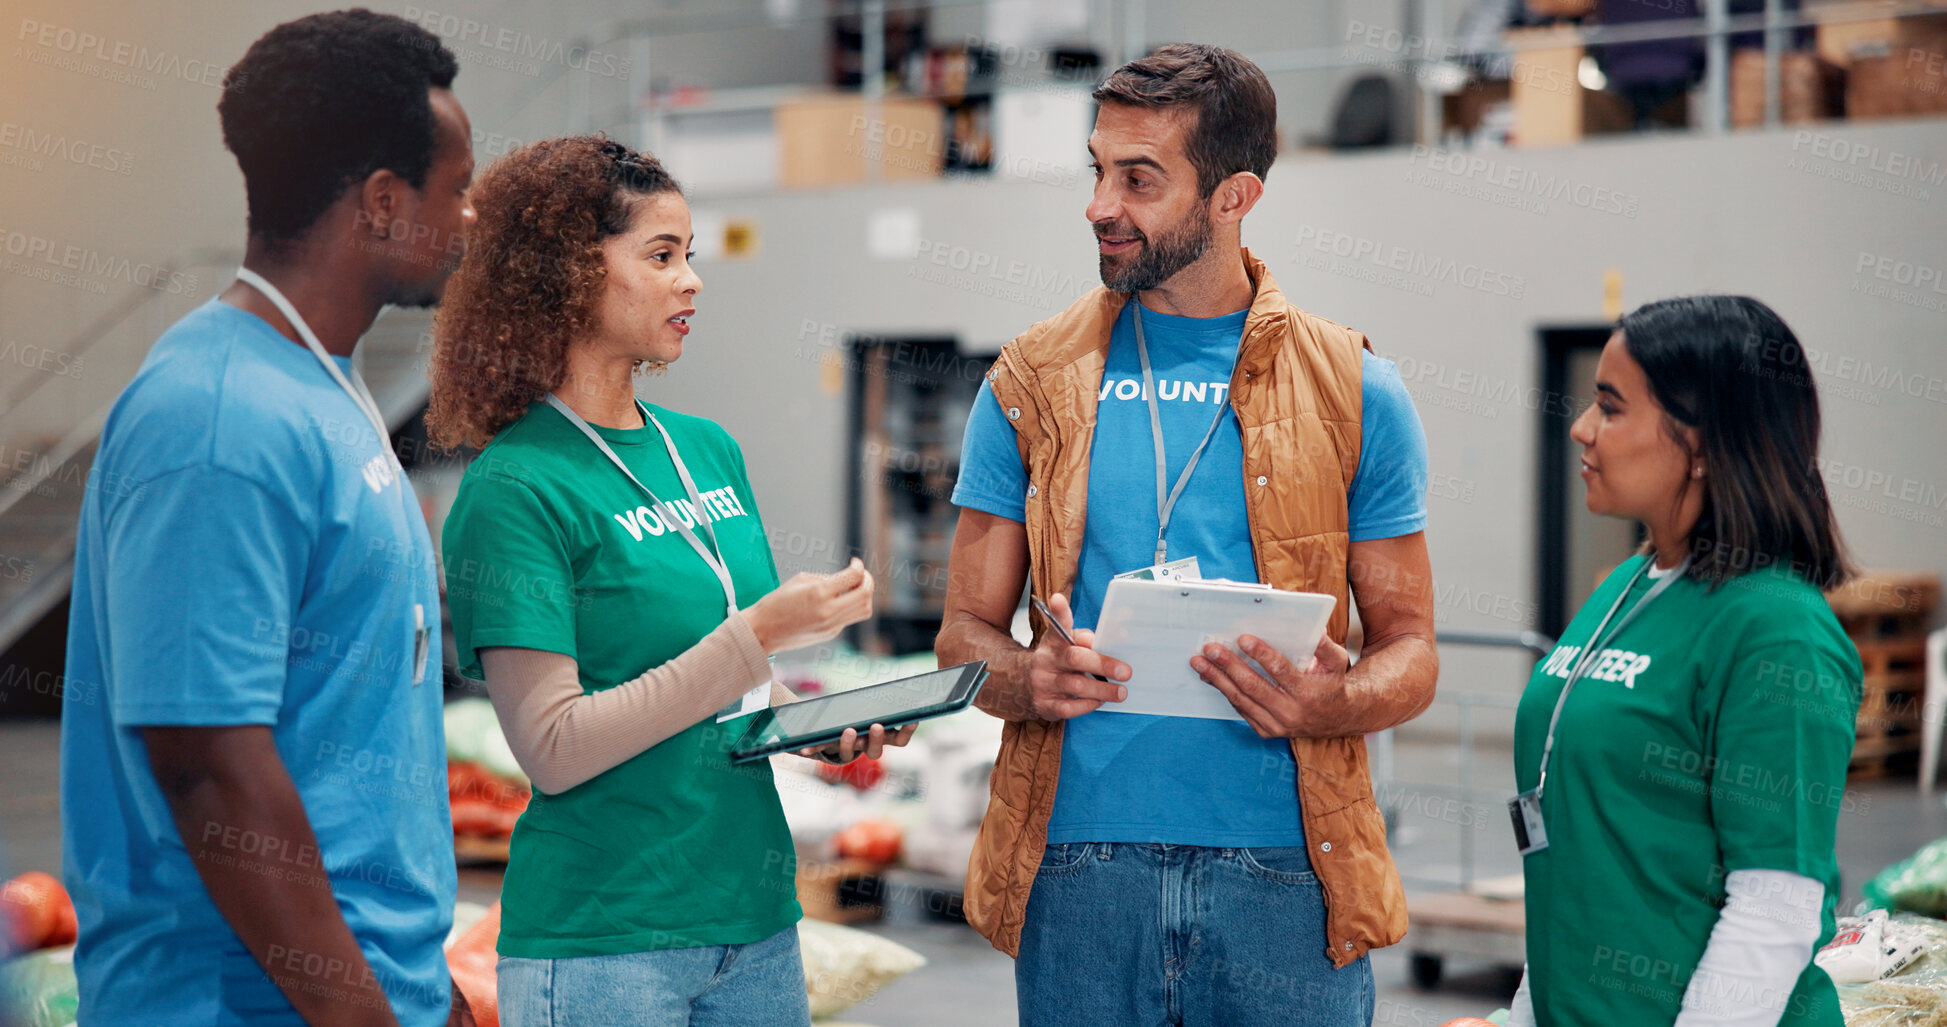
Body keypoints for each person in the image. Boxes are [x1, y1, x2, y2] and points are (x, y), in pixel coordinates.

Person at [936, 43, 1439, 1026]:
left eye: (1140, 178)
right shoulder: (1029, 384)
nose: (1100, 205)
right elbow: (963, 636)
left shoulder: (1356, 389)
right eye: (1097, 170)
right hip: (1079, 872)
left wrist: (1331, 700)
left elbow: (1412, 652)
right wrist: (1027, 678)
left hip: (1290, 871)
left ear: (1232, 195)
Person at [427, 136, 910, 1027]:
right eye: (661, 256)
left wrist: (813, 731)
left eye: (689, 255)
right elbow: (556, 747)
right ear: (566, 274)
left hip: (755, 920)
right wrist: (756, 635)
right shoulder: (516, 487)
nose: (691, 280)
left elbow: (732, 695)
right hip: (605, 939)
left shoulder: (706, 450)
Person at [61, 10, 476, 1026]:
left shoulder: (319, 385)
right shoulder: (215, 421)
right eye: (457, 193)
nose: (469, 222)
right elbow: (210, 767)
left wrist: (431, 994)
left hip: (367, 985)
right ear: (383, 202)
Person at [1506, 296, 1860, 1026]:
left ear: (1701, 443)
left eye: (1608, 406)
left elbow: (1775, 905)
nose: (1580, 428)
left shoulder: (1775, 629)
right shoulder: (1625, 585)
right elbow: (1575, 873)